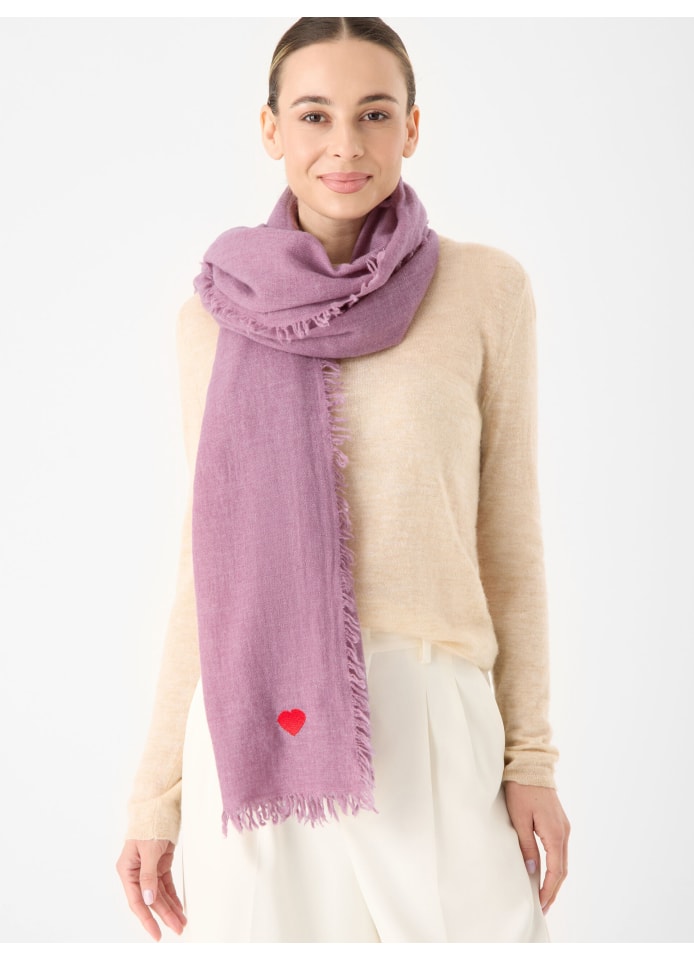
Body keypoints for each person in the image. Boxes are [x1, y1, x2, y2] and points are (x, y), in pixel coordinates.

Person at [116, 17, 570, 943]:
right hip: (257, 727)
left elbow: (509, 541)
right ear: (271, 128)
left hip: (431, 721)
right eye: (315, 114)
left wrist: (531, 759)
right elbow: (207, 568)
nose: (345, 145)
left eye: (374, 113)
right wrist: (155, 793)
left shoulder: (485, 290)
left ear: (412, 128)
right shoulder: (213, 320)